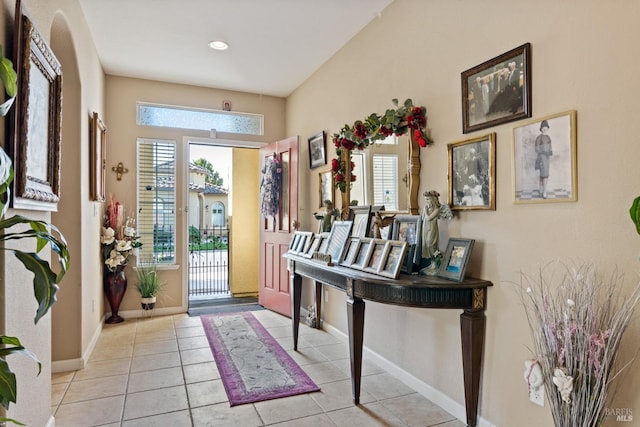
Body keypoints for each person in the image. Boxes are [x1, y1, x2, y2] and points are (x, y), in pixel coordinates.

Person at [534, 120, 553, 198]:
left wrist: (550, 152)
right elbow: (537, 148)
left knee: (545, 174)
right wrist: (543, 151)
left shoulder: (548, 137)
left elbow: (550, 147)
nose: (544, 129)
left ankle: (542, 189)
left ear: (548, 128)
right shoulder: (539, 137)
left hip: (547, 158)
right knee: (544, 174)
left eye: (546, 127)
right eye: (543, 127)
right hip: (541, 157)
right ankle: (544, 191)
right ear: (541, 128)